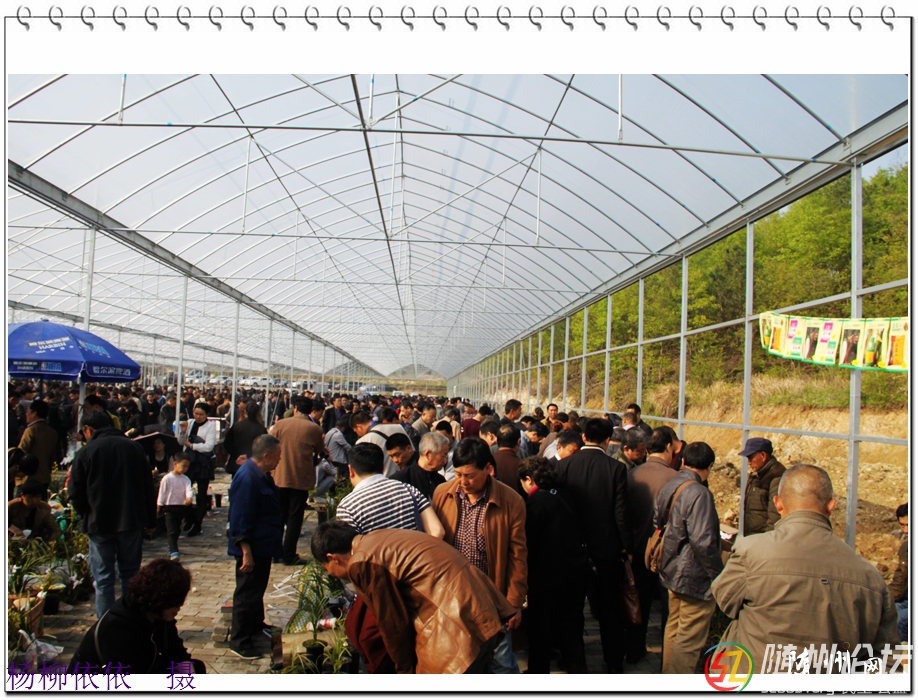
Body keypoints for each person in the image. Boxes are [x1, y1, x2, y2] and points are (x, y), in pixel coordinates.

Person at [712, 464, 899, 673]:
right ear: (831, 506)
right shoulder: (870, 577)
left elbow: (724, 600)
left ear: (778, 503)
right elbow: (886, 658)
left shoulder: (750, 552)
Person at [312, 521, 516, 673]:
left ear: (333, 558)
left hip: (459, 623)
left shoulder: (362, 561)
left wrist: (404, 671)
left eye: (326, 568)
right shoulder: (377, 538)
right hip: (482, 608)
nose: (331, 573)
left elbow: (393, 623)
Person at [432, 437, 527, 674]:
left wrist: (514, 603)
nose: (463, 482)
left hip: (492, 597)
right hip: (453, 596)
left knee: (501, 663)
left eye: (470, 476)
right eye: (458, 474)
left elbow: (517, 557)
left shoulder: (510, 501)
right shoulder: (443, 494)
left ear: (488, 469)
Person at [554, 417, 631, 673]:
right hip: (606, 549)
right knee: (609, 608)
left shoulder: (564, 465)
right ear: (608, 441)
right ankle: (614, 661)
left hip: (572, 548)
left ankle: (574, 661)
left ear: (583, 437)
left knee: (572, 608)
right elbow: (621, 513)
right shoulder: (616, 469)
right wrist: (625, 546)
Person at [69, 411, 156, 619]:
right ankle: (130, 621)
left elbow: (75, 492)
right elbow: (147, 486)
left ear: (88, 429)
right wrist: (151, 519)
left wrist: (86, 513)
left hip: (99, 522)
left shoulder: (87, 451)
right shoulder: (133, 447)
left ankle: (106, 625)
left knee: (103, 580)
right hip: (130, 520)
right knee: (130, 576)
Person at [653, 442, 724, 674]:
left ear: (683, 461)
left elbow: (657, 521)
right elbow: (703, 542)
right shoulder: (700, 493)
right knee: (689, 638)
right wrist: (718, 576)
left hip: (671, 569)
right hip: (694, 577)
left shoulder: (672, 484)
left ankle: (668, 675)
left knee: (673, 628)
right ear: (709, 466)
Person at [66, 559, 205, 674]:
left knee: (195, 668)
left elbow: (174, 647)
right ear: (161, 600)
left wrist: (185, 665)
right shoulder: (119, 628)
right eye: (175, 604)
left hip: (142, 667)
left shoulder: (159, 615)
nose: (178, 608)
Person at [517, 457, 588, 674]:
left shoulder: (535, 503)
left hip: (545, 576)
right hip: (574, 570)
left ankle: (538, 672)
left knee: (540, 628)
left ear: (529, 479)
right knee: (571, 625)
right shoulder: (565, 494)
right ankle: (577, 667)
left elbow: (528, 541)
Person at [226, 434, 284, 659]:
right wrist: (246, 551)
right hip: (252, 547)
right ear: (266, 456)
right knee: (246, 593)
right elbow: (240, 517)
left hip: (264, 544)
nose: (280, 459)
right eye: (278, 456)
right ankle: (240, 640)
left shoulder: (262, 475)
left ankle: (255, 625)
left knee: (256, 589)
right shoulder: (247, 478)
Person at [624, 427, 678, 664]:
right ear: (669, 447)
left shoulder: (632, 475)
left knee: (639, 602)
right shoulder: (676, 479)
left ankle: (634, 648)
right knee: (669, 607)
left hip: (638, 550)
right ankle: (670, 655)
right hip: (668, 553)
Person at [335, 443, 444, 538]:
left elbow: (347, 550)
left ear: (351, 470)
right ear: (383, 467)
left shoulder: (348, 507)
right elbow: (438, 531)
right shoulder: (409, 490)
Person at [269, 397, 325, 566]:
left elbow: (269, 444)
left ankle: (274, 552)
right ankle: (289, 554)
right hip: (301, 478)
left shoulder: (280, 425)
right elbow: (319, 449)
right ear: (310, 410)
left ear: (295, 408)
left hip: (279, 476)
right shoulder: (314, 428)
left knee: (278, 515)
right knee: (294, 517)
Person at [180, 406, 216, 538]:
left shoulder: (210, 426)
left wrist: (192, 446)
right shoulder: (190, 423)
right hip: (189, 461)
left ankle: (198, 523)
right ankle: (189, 517)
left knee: (201, 495)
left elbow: (209, 446)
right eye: (196, 413)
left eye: (201, 414)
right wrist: (183, 432)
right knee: (185, 491)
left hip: (202, 463)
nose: (198, 417)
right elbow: (181, 441)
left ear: (207, 414)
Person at [738, 437, 786, 535]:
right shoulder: (758, 475)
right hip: (754, 538)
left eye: (751, 458)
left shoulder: (776, 477)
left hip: (764, 540)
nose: (749, 462)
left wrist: (767, 541)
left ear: (763, 455)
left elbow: (775, 518)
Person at [16, 398, 60, 496]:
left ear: (34, 413)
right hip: (44, 477)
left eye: (28, 412)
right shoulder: (52, 432)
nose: (26, 414)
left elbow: (21, 451)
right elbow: (53, 456)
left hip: (28, 477)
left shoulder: (31, 430)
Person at [157, 452, 195, 561]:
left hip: (181, 507)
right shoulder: (167, 478)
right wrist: (159, 505)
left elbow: (189, 490)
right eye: (183, 466)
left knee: (177, 529)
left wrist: (189, 498)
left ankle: (171, 545)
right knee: (172, 530)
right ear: (175, 464)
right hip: (169, 507)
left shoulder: (185, 479)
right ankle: (174, 551)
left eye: (187, 467)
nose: (185, 469)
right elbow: (162, 493)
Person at [390, 431, 448, 501]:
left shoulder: (440, 480)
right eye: (443, 455)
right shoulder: (399, 481)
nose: (445, 460)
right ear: (428, 454)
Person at [352, 410, 409, 478]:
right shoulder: (398, 427)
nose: (358, 434)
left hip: (387, 481)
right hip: (409, 475)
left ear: (359, 427)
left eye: (356, 432)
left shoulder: (362, 442)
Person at [222, 401, 267, 476]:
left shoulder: (237, 426)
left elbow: (227, 443)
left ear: (245, 411)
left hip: (236, 463)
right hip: (254, 463)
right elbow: (264, 447)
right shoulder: (261, 429)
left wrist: (236, 455)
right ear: (258, 413)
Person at [889, 503, 908, 641]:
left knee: (899, 621)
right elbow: (898, 583)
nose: (906, 530)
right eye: (902, 525)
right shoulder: (906, 549)